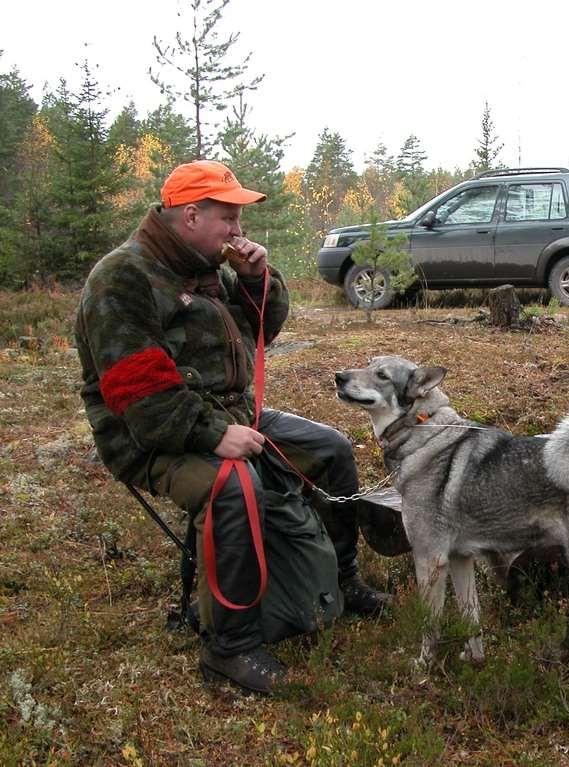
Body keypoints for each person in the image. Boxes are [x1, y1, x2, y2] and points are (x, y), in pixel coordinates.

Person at [75, 160, 390, 694]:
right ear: (191, 215)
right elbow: (139, 394)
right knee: (231, 485)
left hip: (228, 416)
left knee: (330, 450)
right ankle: (231, 647)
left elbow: (261, 332)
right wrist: (213, 435)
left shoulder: (208, 268)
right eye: (229, 217)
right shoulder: (123, 276)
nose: (238, 231)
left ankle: (341, 580)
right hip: (152, 435)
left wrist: (256, 279)